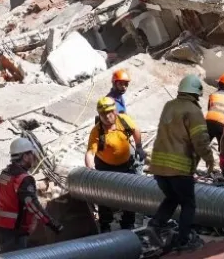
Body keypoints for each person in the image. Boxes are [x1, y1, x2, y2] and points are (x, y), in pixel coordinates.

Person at [148, 74, 215, 252]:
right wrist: (210, 160)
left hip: (158, 168)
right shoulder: (193, 111)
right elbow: (200, 140)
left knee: (172, 197)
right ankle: (184, 240)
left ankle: (155, 225)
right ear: (196, 94)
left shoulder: (169, 106)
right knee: (188, 204)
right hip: (179, 170)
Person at [0, 138, 62, 253]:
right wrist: (52, 223)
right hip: (14, 231)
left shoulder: (5, 173)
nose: (33, 157)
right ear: (25, 156)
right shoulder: (24, 179)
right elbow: (33, 205)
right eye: (31, 154)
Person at [85, 97, 144, 232]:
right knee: (104, 196)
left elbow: (136, 130)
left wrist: (139, 146)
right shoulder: (97, 131)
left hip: (126, 165)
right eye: (103, 114)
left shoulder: (123, 120)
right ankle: (105, 224)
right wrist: (90, 169)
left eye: (109, 112)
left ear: (115, 111)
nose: (107, 116)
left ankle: (128, 223)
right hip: (105, 167)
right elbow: (90, 153)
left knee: (130, 194)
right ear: (99, 114)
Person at [205, 73, 224, 180]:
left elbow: (210, 109)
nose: (219, 85)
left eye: (221, 83)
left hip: (209, 121)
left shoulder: (214, 95)